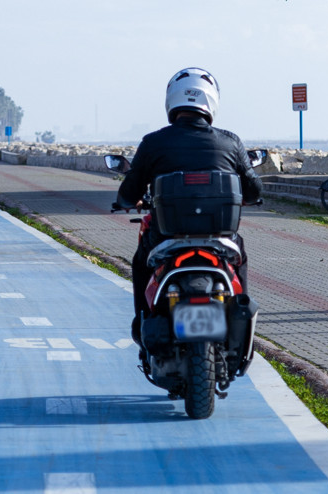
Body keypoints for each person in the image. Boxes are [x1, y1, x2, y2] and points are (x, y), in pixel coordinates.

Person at [115, 67, 263, 349]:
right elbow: (255, 190)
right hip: (221, 238)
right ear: (211, 102)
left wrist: (129, 201)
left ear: (172, 101)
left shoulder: (153, 142)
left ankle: (142, 320)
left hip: (165, 238)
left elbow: (127, 193)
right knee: (239, 255)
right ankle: (241, 318)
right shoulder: (230, 142)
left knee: (140, 262)